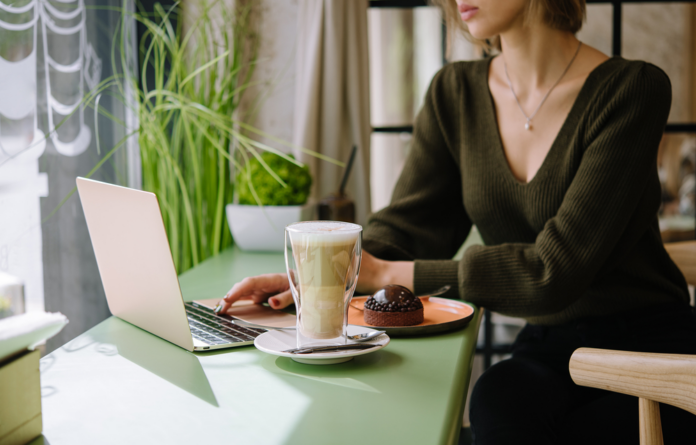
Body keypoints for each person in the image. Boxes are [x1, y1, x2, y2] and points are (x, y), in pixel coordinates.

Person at [218, 1, 696, 443]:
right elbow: (407, 227)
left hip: (652, 350)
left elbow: (554, 270)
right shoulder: (455, 93)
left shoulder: (632, 89)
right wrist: (315, 280)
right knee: (495, 405)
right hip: (553, 346)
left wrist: (384, 275)